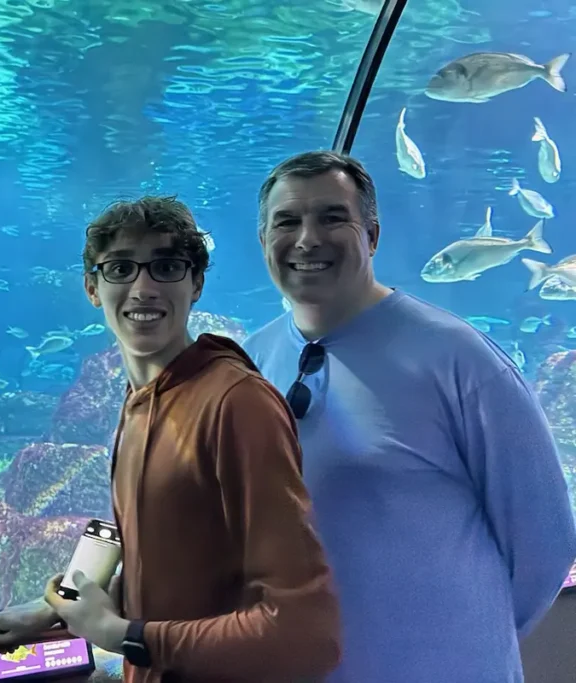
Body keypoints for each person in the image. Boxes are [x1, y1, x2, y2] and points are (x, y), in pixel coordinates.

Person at [242, 149, 576, 683]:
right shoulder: (249, 363)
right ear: (263, 241)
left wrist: (468, 645)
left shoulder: (460, 359)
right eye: (287, 222)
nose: (308, 239)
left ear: (372, 235)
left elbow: (547, 541)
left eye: (333, 218)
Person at [0, 196, 342, 682]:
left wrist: (121, 635)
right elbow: (181, 569)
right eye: (121, 268)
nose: (143, 288)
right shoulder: (142, 398)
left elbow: (306, 634)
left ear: (196, 284)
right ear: (92, 287)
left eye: (167, 266)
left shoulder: (237, 405)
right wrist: (61, 606)